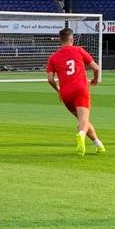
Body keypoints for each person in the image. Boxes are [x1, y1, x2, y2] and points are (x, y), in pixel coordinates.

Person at [46, 27, 105, 156]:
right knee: (83, 121)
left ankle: (98, 144)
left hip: (66, 94)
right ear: (72, 39)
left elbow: (50, 79)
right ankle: (81, 134)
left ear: (60, 40)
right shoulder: (79, 50)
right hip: (80, 89)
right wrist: (95, 80)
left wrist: (58, 90)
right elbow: (96, 68)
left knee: (83, 121)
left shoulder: (53, 57)